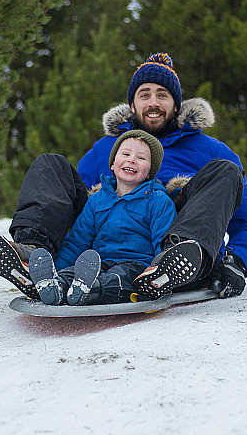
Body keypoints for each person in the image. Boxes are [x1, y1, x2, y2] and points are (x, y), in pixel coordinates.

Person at [0, 52, 247, 301]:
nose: (153, 102)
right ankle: (33, 255)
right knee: (50, 164)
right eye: (144, 94)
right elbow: (74, 212)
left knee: (226, 170)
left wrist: (237, 262)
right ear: (132, 105)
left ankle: (173, 263)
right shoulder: (106, 149)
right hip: (107, 253)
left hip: (174, 243)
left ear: (177, 105)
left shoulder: (210, 150)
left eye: (162, 95)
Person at [27, 129, 176, 306]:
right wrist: (59, 269)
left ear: (150, 172)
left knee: (119, 278)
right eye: (126, 154)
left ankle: (90, 291)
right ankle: (55, 286)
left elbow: (162, 243)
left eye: (141, 158)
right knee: (72, 273)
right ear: (112, 164)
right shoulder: (96, 201)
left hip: (136, 265)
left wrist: (157, 275)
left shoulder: (158, 201)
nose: (132, 160)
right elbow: (77, 241)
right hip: (96, 264)